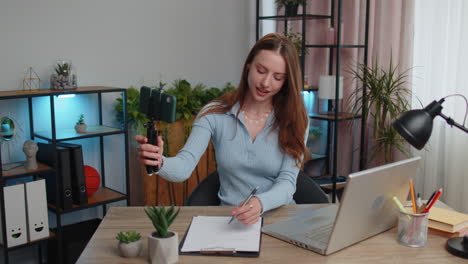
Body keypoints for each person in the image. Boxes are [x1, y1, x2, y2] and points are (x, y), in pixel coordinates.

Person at [136, 33, 309, 226]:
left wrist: (260, 203)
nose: (266, 83)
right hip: (232, 219)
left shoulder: (296, 119)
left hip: (281, 219)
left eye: (278, 77)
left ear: (286, 82)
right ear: (248, 65)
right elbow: (184, 166)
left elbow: (288, 182)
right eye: (261, 70)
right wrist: (159, 162)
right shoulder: (214, 114)